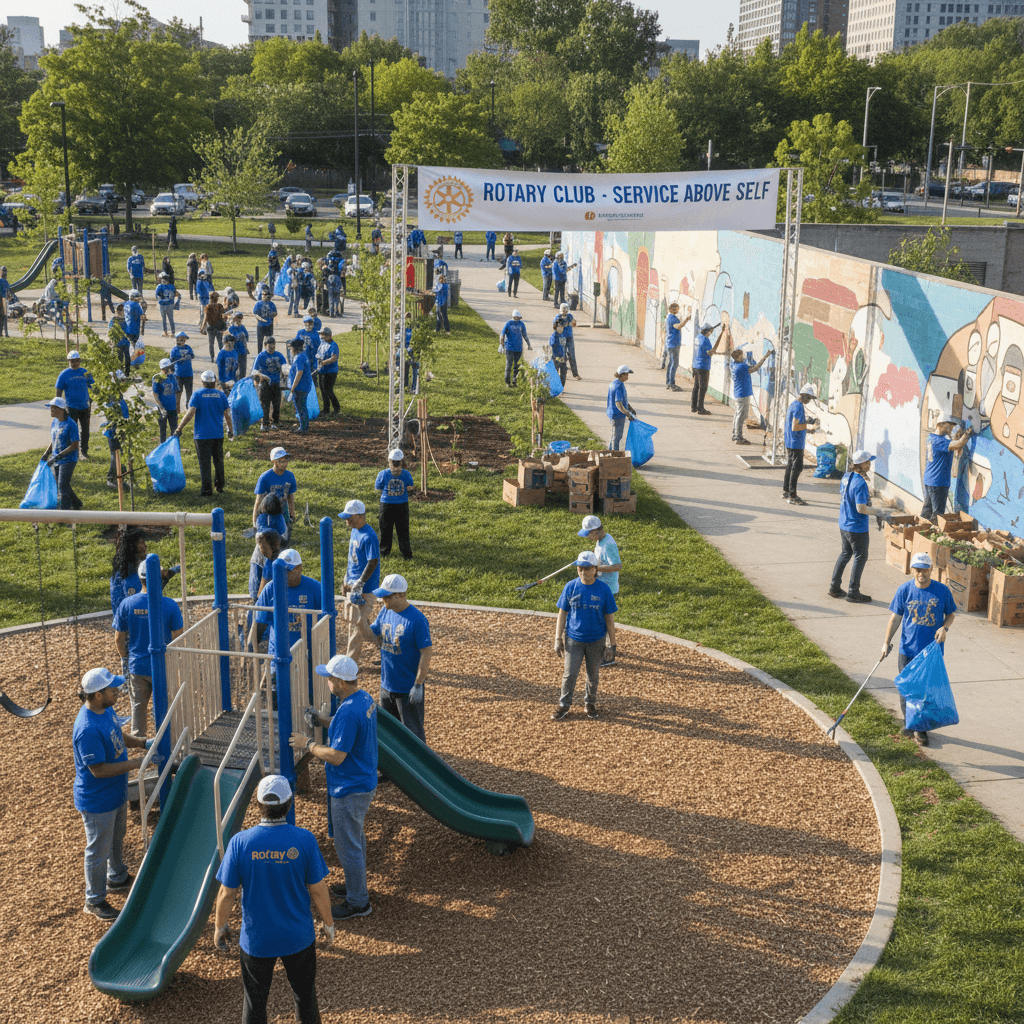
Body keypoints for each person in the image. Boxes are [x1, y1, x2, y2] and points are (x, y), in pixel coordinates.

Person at [213, 774, 334, 1024]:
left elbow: (227, 893)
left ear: (258, 805)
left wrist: (219, 926)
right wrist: (328, 923)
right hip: (298, 937)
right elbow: (318, 889)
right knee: (305, 997)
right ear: (289, 804)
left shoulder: (240, 843)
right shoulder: (304, 839)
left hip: (256, 940)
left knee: (254, 1002)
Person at [290, 654, 378, 921]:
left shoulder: (349, 711)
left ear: (340, 681)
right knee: (355, 839)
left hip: (350, 788)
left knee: (347, 846)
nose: (327, 682)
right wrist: (322, 720)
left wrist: (308, 744)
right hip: (362, 781)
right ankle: (356, 886)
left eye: (329, 678)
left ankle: (358, 902)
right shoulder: (363, 699)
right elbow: (344, 724)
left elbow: (337, 756)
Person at [73, 666, 154, 921]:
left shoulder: (105, 710)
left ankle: (117, 877)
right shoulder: (87, 729)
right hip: (97, 800)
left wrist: (142, 743)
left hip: (115, 792)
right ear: (98, 695)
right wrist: (135, 764)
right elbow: (98, 770)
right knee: (98, 850)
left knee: (117, 837)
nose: (118, 691)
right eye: (112, 689)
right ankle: (94, 900)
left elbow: (117, 735)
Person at [880, 552, 957, 747]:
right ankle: (910, 723)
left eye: (924, 569)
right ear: (912, 570)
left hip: (930, 652)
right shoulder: (904, 590)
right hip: (907, 649)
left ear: (931, 569)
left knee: (924, 691)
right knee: (906, 688)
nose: (921, 573)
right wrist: (886, 642)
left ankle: (920, 729)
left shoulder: (942, 591)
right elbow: (895, 618)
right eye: (917, 569)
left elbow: (951, 614)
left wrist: (944, 628)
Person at [355, 573, 432, 745]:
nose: (383, 600)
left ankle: (416, 763)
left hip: (407, 689)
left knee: (413, 735)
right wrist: (361, 620)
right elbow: (370, 635)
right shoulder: (385, 611)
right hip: (387, 686)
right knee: (389, 734)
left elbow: (426, 652)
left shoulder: (417, 620)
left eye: (387, 596)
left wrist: (418, 685)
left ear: (400, 595)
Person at [113, 561, 185, 736]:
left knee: (138, 707)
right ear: (159, 579)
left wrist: (125, 658)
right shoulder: (170, 605)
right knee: (164, 706)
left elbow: (119, 638)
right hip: (162, 665)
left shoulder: (127, 604)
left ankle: (140, 743)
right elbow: (178, 637)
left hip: (137, 665)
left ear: (140, 579)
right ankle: (167, 739)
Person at [551, 552, 617, 721]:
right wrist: (558, 638)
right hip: (573, 640)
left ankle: (590, 703)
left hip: (596, 640)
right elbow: (562, 614)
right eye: (580, 569)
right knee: (569, 674)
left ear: (595, 569)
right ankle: (564, 705)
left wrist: (612, 643)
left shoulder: (604, 590)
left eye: (587, 569)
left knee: (593, 675)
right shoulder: (570, 587)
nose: (583, 572)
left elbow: (609, 618)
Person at [250, 549, 322, 703]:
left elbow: (325, 623)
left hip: (307, 655)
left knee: (307, 699)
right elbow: (260, 622)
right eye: (282, 571)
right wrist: (253, 648)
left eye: (288, 571)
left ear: (299, 568)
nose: (285, 575)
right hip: (278, 657)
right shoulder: (270, 588)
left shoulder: (315, 588)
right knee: (277, 701)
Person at [830, 449, 884, 604]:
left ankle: (834, 587)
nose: (870, 465)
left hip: (844, 523)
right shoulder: (860, 483)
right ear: (863, 464)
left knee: (845, 553)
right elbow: (861, 508)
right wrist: (878, 512)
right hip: (856, 526)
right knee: (860, 557)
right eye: (868, 462)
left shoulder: (846, 476)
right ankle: (853, 592)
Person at [173, 369, 234, 497]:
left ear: (202, 382)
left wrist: (179, 428)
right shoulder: (221, 395)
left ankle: (206, 490)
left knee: (204, 463)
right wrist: (230, 429)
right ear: (215, 382)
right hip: (217, 434)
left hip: (202, 435)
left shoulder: (198, 394)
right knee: (218, 461)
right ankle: (219, 486)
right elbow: (227, 414)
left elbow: (190, 412)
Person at [339, 499, 381, 665]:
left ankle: (350, 663)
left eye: (349, 517)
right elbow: (353, 558)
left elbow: (373, 561)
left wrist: (361, 583)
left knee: (356, 624)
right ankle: (384, 646)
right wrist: (346, 579)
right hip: (353, 585)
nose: (346, 521)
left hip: (365, 588)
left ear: (359, 516)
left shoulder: (369, 536)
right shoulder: (355, 531)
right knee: (358, 622)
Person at [578, 515, 623, 667]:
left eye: (588, 534)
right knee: (600, 619)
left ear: (596, 530)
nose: (588, 537)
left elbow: (617, 566)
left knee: (606, 621)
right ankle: (602, 647)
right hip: (601, 586)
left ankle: (609, 654)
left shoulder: (608, 544)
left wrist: (596, 569)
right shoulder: (600, 541)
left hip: (608, 589)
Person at [921, 415, 973, 520]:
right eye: (950, 425)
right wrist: (969, 433)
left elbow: (952, 444)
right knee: (938, 515)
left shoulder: (931, 438)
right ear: (942, 424)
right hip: (938, 483)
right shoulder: (939, 441)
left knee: (927, 511)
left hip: (930, 480)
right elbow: (959, 444)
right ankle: (933, 529)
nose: (952, 428)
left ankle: (920, 527)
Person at [783, 384, 819, 505]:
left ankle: (786, 491)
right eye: (809, 398)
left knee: (790, 465)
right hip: (796, 442)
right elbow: (796, 427)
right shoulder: (798, 406)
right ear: (804, 396)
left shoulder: (794, 404)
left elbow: (795, 423)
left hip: (790, 440)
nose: (809, 401)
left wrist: (806, 423)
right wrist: (808, 425)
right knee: (797, 467)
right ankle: (792, 495)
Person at [43, 397, 82, 510]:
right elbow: (54, 440)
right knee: (62, 484)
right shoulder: (55, 422)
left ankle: (64, 511)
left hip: (68, 459)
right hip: (56, 458)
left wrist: (57, 457)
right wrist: (47, 453)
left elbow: (74, 445)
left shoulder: (71, 424)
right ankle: (77, 504)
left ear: (61, 410)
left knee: (62, 486)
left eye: (54, 408)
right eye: (51, 408)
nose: (51, 410)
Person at [375, 449, 415, 560]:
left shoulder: (383, 474)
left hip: (386, 505)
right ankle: (406, 554)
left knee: (385, 529)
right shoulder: (406, 474)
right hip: (402, 505)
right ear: (402, 461)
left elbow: (378, 488)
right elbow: (410, 488)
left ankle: (384, 551)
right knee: (403, 530)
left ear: (389, 461)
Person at [55, 350, 94, 460]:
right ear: (69, 361)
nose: (75, 363)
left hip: (85, 407)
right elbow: (59, 390)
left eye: (77, 361)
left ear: (80, 360)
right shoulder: (64, 374)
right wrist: (59, 406)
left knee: (85, 431)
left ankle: (84, 451)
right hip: (71, 407)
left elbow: (93, 386)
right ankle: (72, 452)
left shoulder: (85, 373)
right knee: (72, 430)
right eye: (72, 361)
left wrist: (91, 399)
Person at [729, 347, 770, 445]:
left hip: (738, 393)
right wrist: (765, 357)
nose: (743, 357)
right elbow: (755, 368)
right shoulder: (742, 366)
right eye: (741, 356)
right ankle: (739, 437)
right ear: (739, 357)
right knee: (741, 416)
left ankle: (735, 433)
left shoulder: (733, 364)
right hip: (743, 394)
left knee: (737, 414)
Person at [254, 447, 298, 534]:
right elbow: (259, 500)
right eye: (281, 461)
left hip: (283, 508)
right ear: (273, 462)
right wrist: (255, 521)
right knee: (269, 534)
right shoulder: (265, 477)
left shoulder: (290, 476)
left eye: (285, 460)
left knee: (285, 534)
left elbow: (290, 497)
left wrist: (292, 514)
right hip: (268, 510)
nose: (284, 464)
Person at [691, 321, 727, 415]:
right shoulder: (706, 340)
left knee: (696, 387)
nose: (711, 333)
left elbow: (700, 351)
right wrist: (721, 334)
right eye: (711, 332)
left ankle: (693, 407)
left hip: (695, 365)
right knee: (703, 388)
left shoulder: (698, 337)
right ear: (708, 332)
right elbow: (711, 352)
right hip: (703, 366)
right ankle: (700, 408)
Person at [103, 375, 130, 491]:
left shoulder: (119, 396)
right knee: (115, 455)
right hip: (113, 432)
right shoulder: (111, 397)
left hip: (121, 431)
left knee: (121, 454)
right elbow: (110, 414)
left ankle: (121, 476)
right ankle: (112, 478)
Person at [253, 337, 287, 432]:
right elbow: (254, 371)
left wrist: (287, 371)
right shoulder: (261, 356)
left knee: (276, 404)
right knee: (264, 404)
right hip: (264, 384)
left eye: (273, 346)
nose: (271, 348)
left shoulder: (279, 355)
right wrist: (261, 376)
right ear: (265, 345)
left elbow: (284, 366)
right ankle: (264, 423)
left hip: (276, 383)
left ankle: (275, 422)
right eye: (269, 346)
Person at [606, 365, 635, 452]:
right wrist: (628, 414)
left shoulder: (614, 383)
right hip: (617, 415)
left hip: (612, 413)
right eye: (626, 374)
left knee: (614, 435)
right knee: (617, 437)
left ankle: (610, 452)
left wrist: (630, 408)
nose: (627, 377)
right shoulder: (619, 386)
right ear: (622, 375)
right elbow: (618, 403)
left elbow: (623, 401)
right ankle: (614, 454)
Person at [664, 303, 692, 391]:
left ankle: (668, 382)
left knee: (671, 363)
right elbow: (678, 326)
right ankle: (672, 384)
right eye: (677, 308)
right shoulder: (673, 318)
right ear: (673, 309)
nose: (678, 310)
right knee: (674, 364)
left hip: (671, 343)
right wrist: (686, 319)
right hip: (674, 343)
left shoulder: (669, 317)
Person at [499, 310, 532, 387]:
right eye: (516, 317)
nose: (517, 319)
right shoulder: (510, 323)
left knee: (514, 366)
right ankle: (509, 382)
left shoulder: (519, 324)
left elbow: (525, 335)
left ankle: (514, 382)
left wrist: (529, 344)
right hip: (510, 348)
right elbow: (502, 335)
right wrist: (502, 345)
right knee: (510, 366)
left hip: (517, 349)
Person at [152, 358, 181, 443]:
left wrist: (177, 406)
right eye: (169, 367)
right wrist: (161, 408)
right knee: (162, 430)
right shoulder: (157, 378)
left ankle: (173, 446)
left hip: (172, 408)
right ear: (165, 368)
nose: (170, 369)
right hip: (163, 408)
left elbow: (177, 391)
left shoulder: (172, 377)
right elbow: (155, 395)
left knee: (174, 430)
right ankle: (162, 446)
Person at [288, 338, 313, 434]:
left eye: (291, 348)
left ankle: (304, 428)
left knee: (301, 407)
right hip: (304, 386)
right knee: (302, 407)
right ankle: (304, 425)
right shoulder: (303, 355)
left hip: (300, 387)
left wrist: (293, 387)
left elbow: (299, 372)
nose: (290, 350)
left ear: (294, 348)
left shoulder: (298, 358)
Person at [316, 327, 340, 415]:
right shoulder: (323, 342)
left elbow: (334, 358)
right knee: (323, 390)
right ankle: (326, 409)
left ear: (329, 335)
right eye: (322, 335)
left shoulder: (334, 345)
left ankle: (336, 408)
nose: (322, 336)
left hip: (331, 371)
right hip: (322, 370)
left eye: (324, 335)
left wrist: (324, 362)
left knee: (328, 390)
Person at [553, 303, 581, 380]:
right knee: (562, 356)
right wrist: (561, 325)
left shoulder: (570, 316)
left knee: (572, 355)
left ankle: (575, 374)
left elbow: (574, 323)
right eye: (563, 310)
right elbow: (556, 328)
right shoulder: (558, 317)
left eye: (566, 310)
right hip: (561, 338)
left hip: (569, 337)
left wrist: (569, 323)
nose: (565, 312)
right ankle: (559, 373)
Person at [170, 331, 195, 406]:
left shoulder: (188, 348)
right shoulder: (174, 349)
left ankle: (189, 406)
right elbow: (171, 361)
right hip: (178, 374)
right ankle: (177, 408)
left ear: (185, 340)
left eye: (182, 340)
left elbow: (193, 356)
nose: (180, 342)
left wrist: (189, 356)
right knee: (178, 392)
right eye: (178, 340)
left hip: (188, 374)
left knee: (189, 392)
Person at [202, 290, 228, 361]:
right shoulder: (219, 306)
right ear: (217, 299)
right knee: (220, 343)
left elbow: (206, 317)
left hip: (211, 328)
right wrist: (226, 302)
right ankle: (222, 356)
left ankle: (212, 357)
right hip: (219, 327)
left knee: (211, 343)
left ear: (210, 298)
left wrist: (203, 326)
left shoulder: (208, 306)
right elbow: (224, 312)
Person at [253, 284, 278, 354]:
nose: (266, 296)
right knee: (260, 341)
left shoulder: (271, 304)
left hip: (269, 325)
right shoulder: (258, 304)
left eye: (267, 294)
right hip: (260, 325)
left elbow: (275, 312)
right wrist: (260, 319)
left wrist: (274, 314)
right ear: (261, 295)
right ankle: (259, 354)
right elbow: (255, 314)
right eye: (264, 294)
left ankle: (268, 353)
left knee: (269, 341)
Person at [154, 273, 179, 337]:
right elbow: (175, 294)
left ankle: (166, 331)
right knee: (170, 319)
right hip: (170, 304)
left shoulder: (160, 286)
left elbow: (157, 296)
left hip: (163, 304)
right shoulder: (172, 286)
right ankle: (172, 332)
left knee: (164, 319)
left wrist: (160, 300)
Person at [109, 304, 131, 375]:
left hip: (126, 342)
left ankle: (127, 373)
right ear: (118, 311)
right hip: (118, 342)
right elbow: (110, 330)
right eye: (123, 311)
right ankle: (120, 372)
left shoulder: (127, 319)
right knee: (120, 357)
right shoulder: (114, 319)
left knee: (127, 357)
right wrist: (111, 339)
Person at [228, 312, 250, 380]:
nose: (238, 320)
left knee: (243, 371)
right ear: (234, 319)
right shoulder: (231, 329)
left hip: (243, 352)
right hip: (234, 352)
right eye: (237, 318)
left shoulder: (242, 327)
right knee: (234, 370)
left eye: (240, 318)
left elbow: (247, 337)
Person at [0, 265, 12, 337]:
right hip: (3, 300)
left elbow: (9, 292)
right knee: (4, 317)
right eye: (3, 271)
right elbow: (9, 292)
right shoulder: (4, 281)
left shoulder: (4, 282)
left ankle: (2, 333)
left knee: (2, 317)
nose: (5, 273)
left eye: (5, 271)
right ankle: (5, 334)